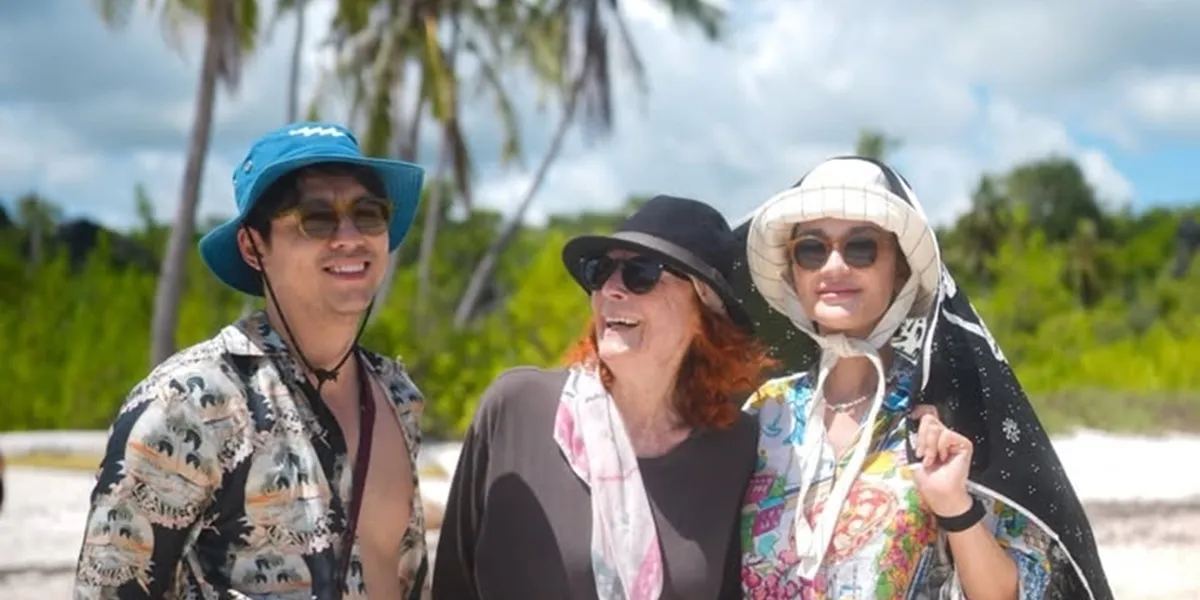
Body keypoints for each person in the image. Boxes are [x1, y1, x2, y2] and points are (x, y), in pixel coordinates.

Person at [73, 121, 431, 600]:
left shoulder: (397, 395)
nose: (349, 237)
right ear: (252, 246)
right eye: (316, 218)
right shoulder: (192, 403)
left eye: (369, 214)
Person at [733, 156, 1114, 599]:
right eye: (812, 249)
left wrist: (954, 504)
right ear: (793, 271)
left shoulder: (946, 415)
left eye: (861, 247)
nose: (834, 267)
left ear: (899, 269)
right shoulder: (763, 411)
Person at [432, 195, 775, 599]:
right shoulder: (516, 408)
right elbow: (452, 586)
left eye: (640, 273)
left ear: (704, 310)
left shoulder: (737, 449)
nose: (610, 289)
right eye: (601, 270)